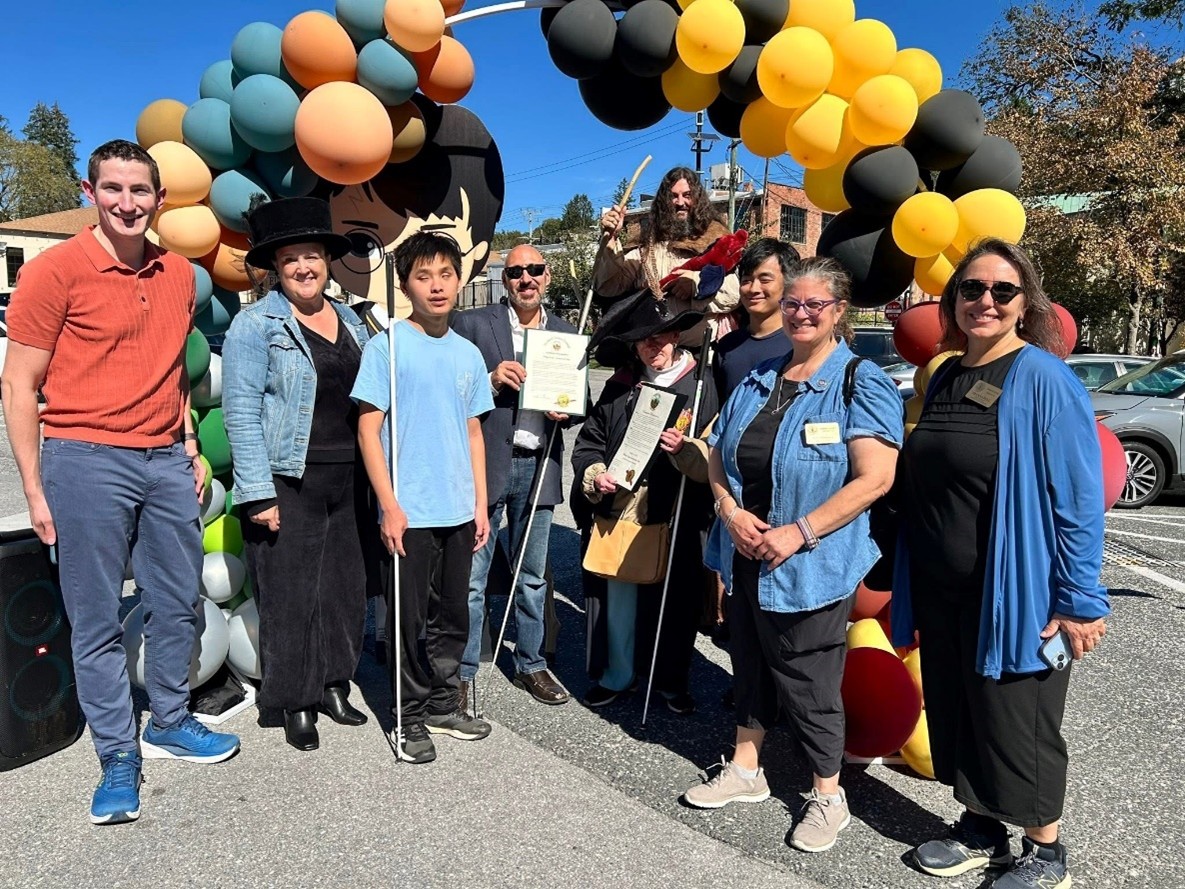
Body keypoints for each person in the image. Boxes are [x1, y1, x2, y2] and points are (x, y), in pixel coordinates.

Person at [0, 140, 239, 825]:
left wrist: (190, 440)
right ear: (89, 190)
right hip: (85, 459)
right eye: (114, 189)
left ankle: (167, 717)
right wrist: (36, 489)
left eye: (141, 191)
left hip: (165, 458)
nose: (127, 203)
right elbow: (19, 385)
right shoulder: (55, 273)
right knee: (98, 616)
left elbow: (172, 372)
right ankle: (117, 753)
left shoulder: (178, 277)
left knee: (177, 601)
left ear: (160, 200)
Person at [893, 239, 1108, 888]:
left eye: (1001, 291)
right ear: (953, 300)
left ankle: (1045, 855)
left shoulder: (1042, 378)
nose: (984, 300)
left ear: (1024, 304)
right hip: (942, 589)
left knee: (1018, 724)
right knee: (960, 713)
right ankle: (981, 829)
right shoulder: (948, 374)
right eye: (971, 289)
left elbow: (1077, 497)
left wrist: (1078, 597)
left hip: (1015, 594)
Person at [684, 257, 902, 855]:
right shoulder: (761, 377)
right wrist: (730, 513)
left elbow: (875, 479)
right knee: (749, 661)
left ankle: (829, 796)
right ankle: (747, 768)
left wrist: (797, 532)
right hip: (747, 551)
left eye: (814, 305)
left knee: (808, 678)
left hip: (812, 564)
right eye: (793, 304)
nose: (801, 314)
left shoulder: (861, 380)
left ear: (839, 312)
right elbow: (714, 454)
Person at [221, 197, 372, 752]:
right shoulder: (254, 325)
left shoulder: (354, 319)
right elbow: (240, 411)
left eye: (313, 256)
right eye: (291, 260)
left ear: (328, 260)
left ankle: (335, 683)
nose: (305, 268)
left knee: (343, 590)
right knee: (290, 594)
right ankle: (294, 700)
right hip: (289, 479)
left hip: (350, 478)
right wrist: (258, 492)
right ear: (276, 269)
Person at [352, 231, 494, 764]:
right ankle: (408, 716)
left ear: (460, 280)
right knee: (407, 620)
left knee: (452, 616)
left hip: (459, 509)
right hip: (409, 510)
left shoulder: (468, 353)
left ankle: (441, 701)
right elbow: (369, 430)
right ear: (405, 284)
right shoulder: (386, 345)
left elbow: (474, 433)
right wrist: (389, 504)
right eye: (423, 276)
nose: (437, 286)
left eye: (446, 274)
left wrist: (479, 503)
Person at [572, 293, 719, 714]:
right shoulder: (621, 386)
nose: (653, 347)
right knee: (618, 602)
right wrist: (595, 474)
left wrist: (687, 450)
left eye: (660, 337)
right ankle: (618, 674)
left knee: (674, 602)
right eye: (643, 341)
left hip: (676, 515)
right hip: (621, 512)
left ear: (675, 335)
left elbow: (717, 450)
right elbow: (589, 443)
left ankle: (670, 678)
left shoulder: (702, 385)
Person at [451, 244, 575, 711]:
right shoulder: (474, 324)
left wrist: (569, 409)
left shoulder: (565, 333)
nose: (526, 278)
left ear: (547, 277)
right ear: (505, 280)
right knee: (472, 577)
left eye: (535, 270)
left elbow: (577, 400)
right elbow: (453, 388)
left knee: (534, 577)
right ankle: (462, 673)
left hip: (540, 466)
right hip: (486, 468)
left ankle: (531, 664)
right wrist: (489, 379)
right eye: (516, 271)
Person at [596, 166, 740, 346]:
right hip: (650, 353)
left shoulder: (718, 240)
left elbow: (735, 294)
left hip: (699, 357)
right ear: (664, 201)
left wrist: (697, 284)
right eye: (674, 196)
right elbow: (609, 287)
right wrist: (611, 240)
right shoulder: (645, 247)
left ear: (698, 199)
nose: (680, 202)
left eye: (687, 195)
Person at [714, 238, 799, 401]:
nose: (753, 289)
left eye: (765, 280)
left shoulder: (799, 345)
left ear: (789, 284)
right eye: (746, 281)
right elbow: (720, 411)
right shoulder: (727, 346)